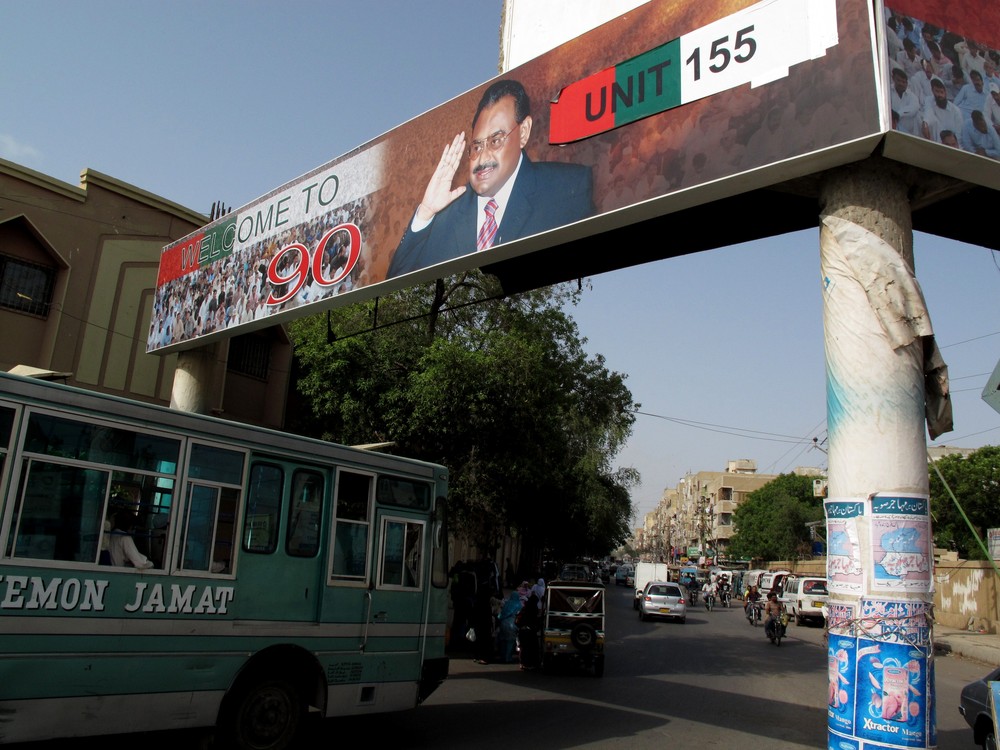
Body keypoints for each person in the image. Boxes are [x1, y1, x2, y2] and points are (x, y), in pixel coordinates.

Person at [387, 78, 595, 278]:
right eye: (477, 147)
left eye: (496, 141)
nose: (482, 158)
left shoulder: (569, 188)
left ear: (524, 132)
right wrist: (426, 212)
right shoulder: (445, 216)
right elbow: (394, 290)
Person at [496, 589, 523, 664]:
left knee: (503, 641)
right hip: (512, 624)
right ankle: (508, 658)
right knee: (510, 642)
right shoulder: (519, 604)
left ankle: (503, 656)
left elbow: (501, 614)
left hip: (503, 623)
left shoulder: (507, 603)